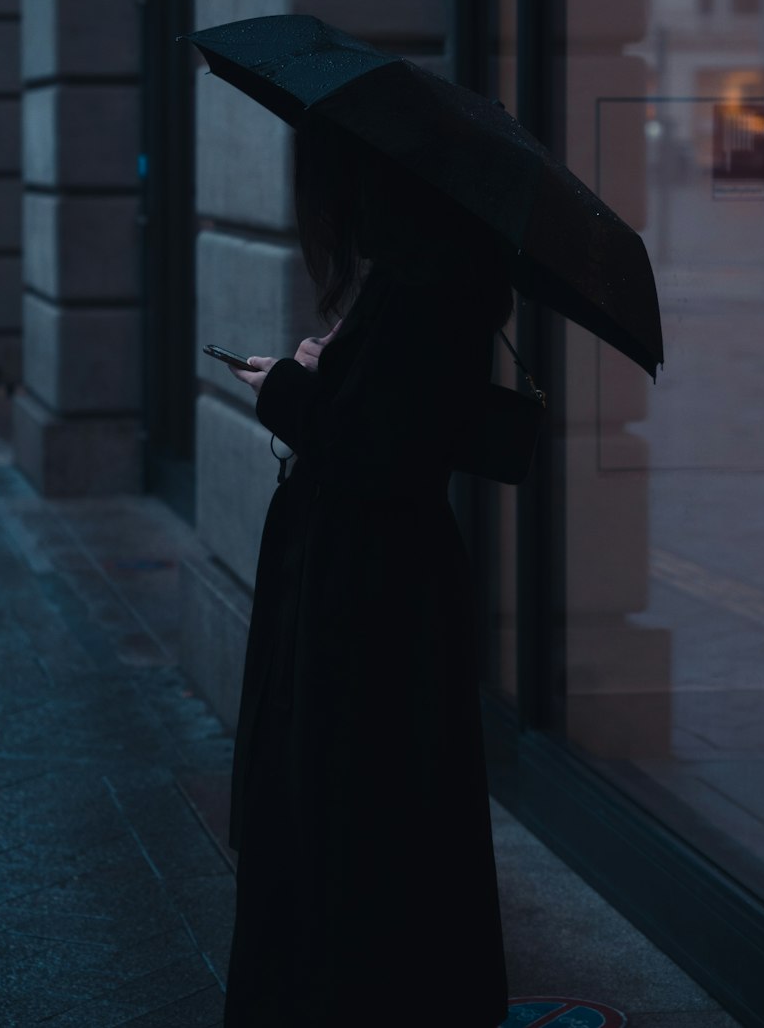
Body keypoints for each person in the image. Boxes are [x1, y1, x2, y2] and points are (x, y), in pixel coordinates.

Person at [220, 112, 514, 1027]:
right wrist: (329, 366)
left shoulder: (423, 286)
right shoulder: (441, 275)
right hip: (388, 586)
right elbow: (397, 417)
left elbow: (372, 451)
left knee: (346, 818)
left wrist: (288, 388)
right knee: (382, 813)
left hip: (364, 596)